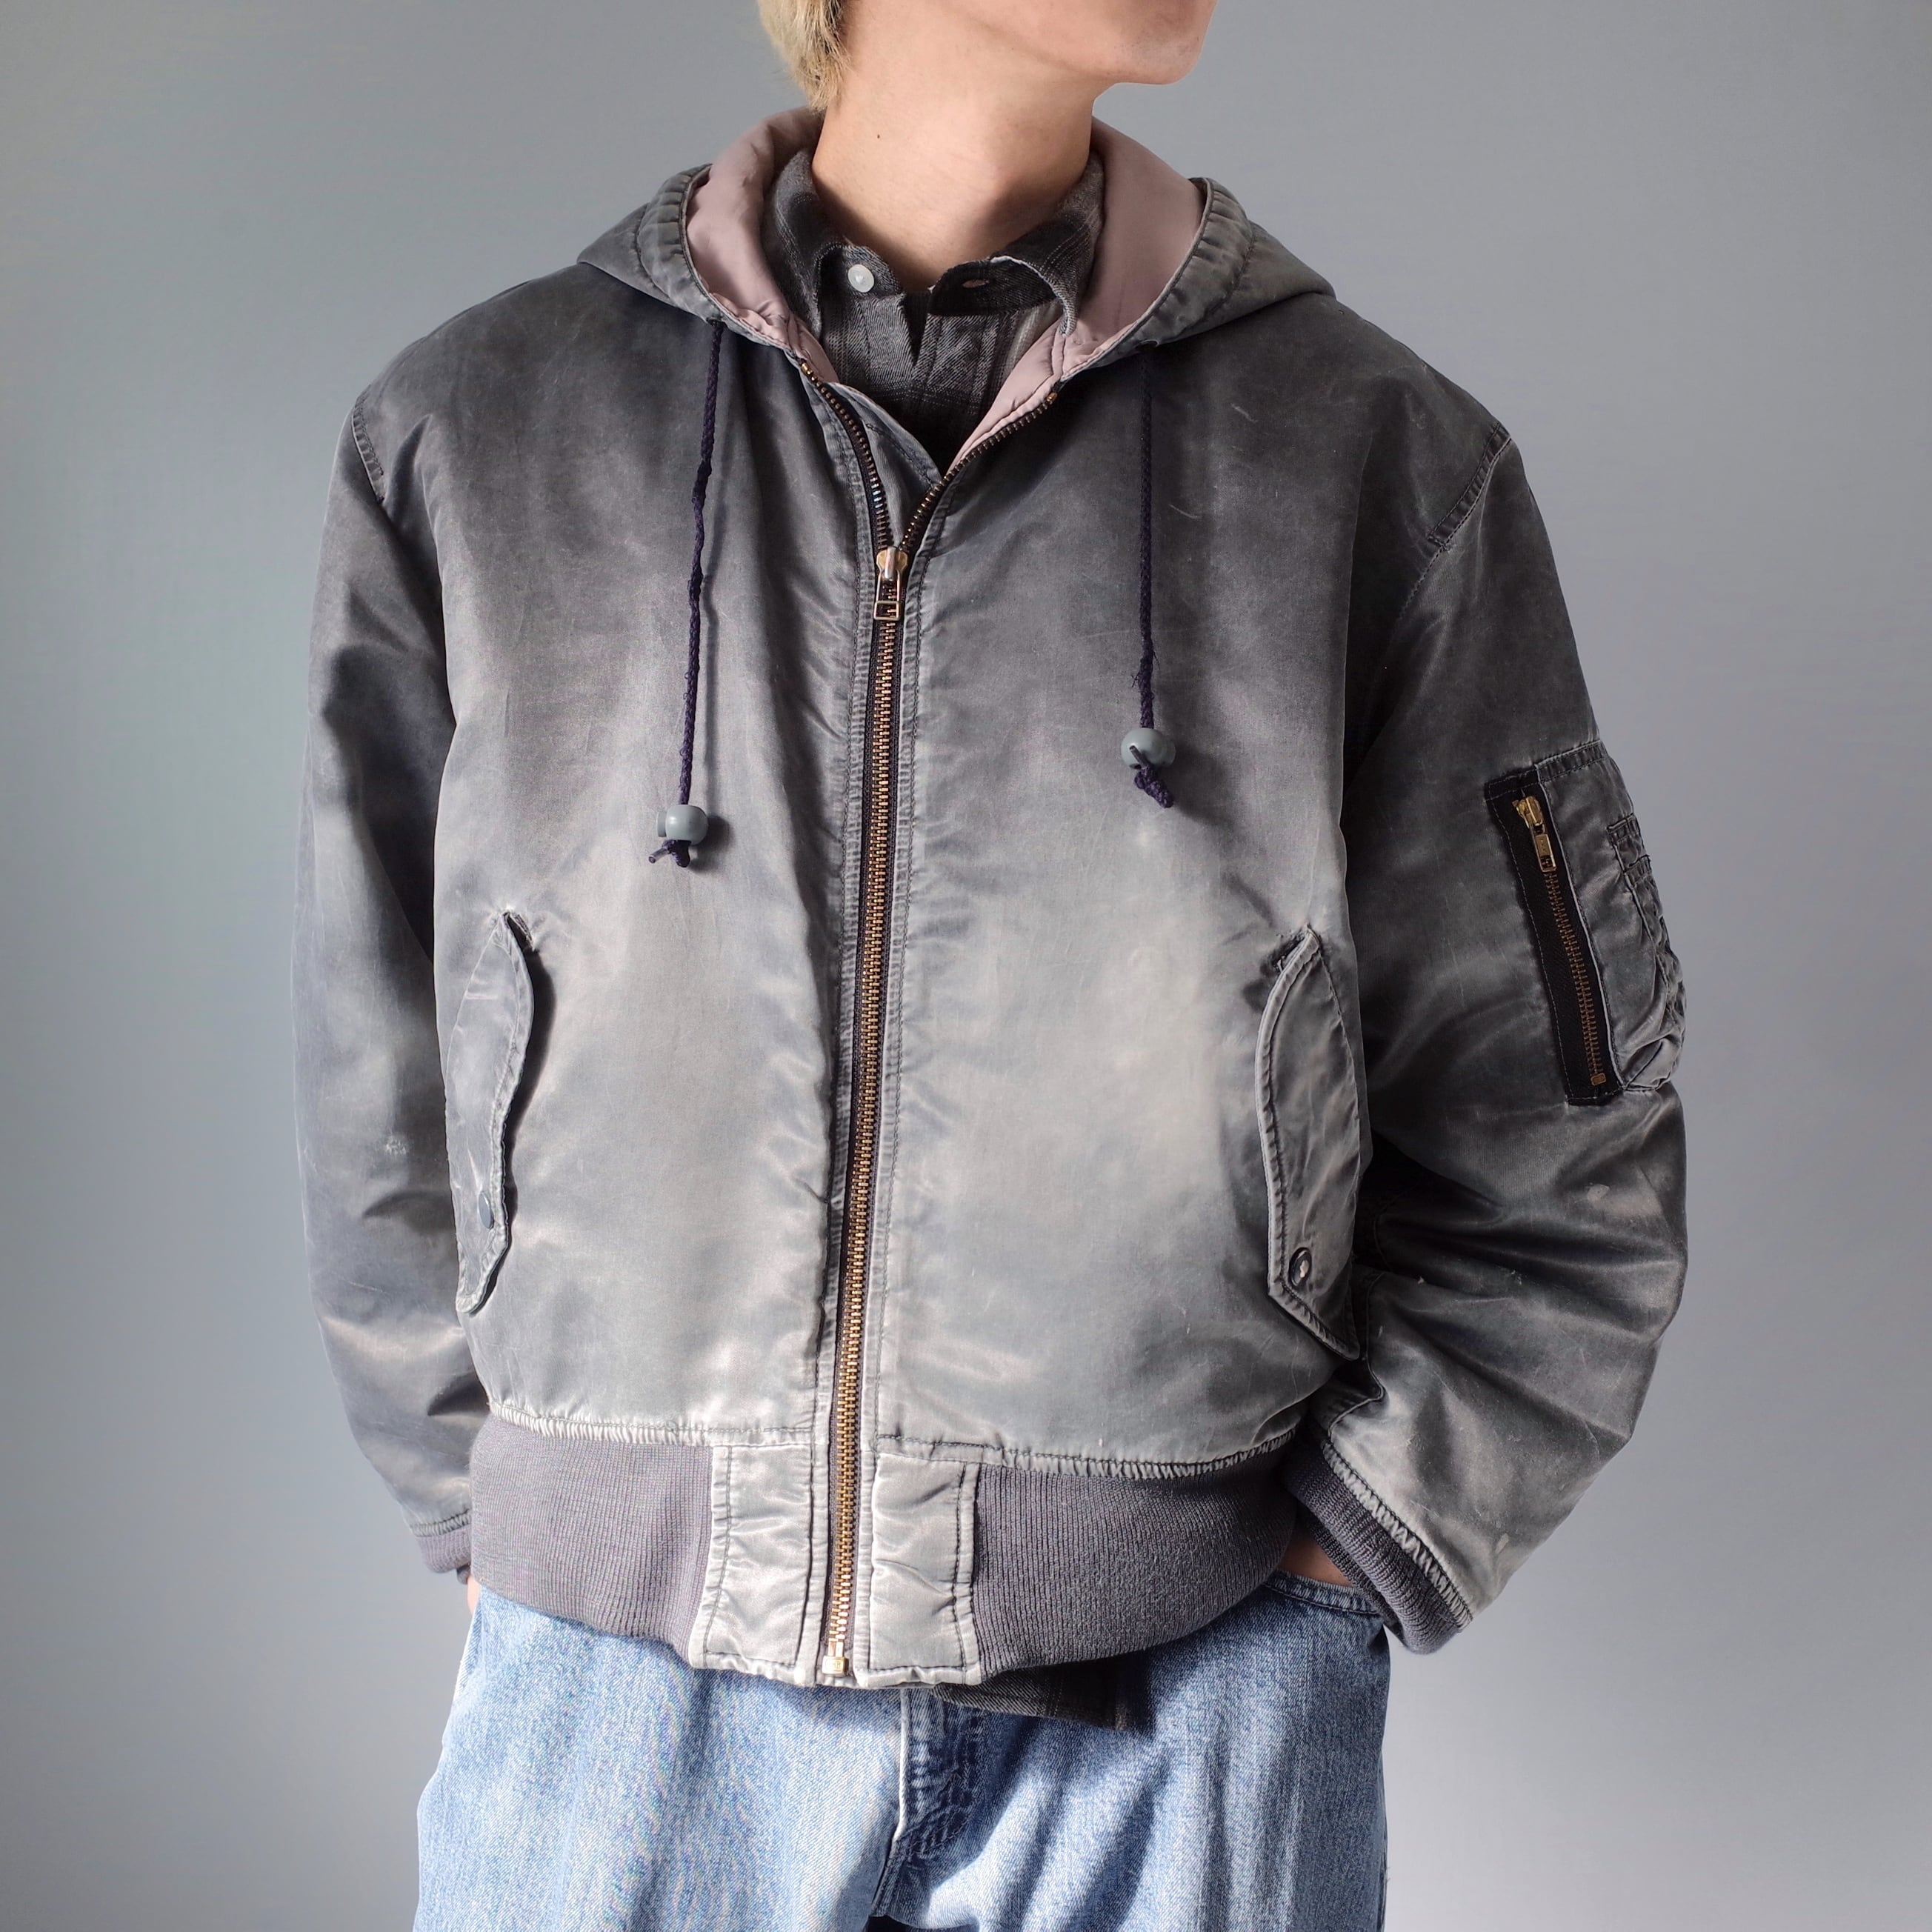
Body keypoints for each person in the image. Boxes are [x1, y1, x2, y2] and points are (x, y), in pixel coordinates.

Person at [293, 0, 1688, 1923]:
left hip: (1182, 1704)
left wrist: (1345, 1564)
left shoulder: (1372, 458)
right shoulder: (484, 429)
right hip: (615, 1713)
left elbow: (1557, 1127)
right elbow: (380, 1056)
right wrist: (498, 1519)